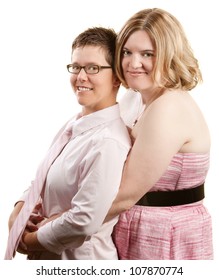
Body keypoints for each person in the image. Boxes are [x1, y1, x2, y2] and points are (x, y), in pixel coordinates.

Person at [6, 27, 131, 260]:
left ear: (116, 76)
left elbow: (84, 220)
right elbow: (43, 177)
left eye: (93, 68)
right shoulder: (74, 124)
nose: (81, 77)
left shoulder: (108, 142)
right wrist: (18, 212)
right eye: (76, 67)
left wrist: (28, 241)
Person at [106, 8, 214, 260]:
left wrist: (57, 224)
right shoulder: (134, 98)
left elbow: (124, 194)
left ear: (169, 55)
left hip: (165, 237)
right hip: (134, 229)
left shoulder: (169, 107)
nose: (133, 63)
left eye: (147, 54)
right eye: (126, 52)